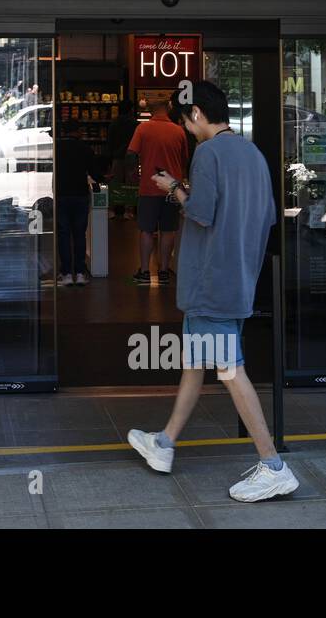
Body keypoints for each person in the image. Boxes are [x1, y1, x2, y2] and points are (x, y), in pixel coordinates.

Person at [127, 80, 298, 503]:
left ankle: (273, 465)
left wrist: (173, 188)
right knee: (197, 362)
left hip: (210, 282)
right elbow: (268, 217)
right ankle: (164, 443)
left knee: (229, 370)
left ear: (198, 115)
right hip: (239, 278)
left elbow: (200, 212)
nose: (187, 129)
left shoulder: (207, 153)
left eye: (186, 121)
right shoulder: (253, 154)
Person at [125, 97, 189, 285]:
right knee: (168, 231)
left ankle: (145, 271)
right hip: (172, 189)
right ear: (168, 108)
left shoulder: (143, 129)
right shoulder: (178, 131)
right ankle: (163, 271)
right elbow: (185, 158)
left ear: (151, 110)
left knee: (146, 230)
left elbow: (131, 154)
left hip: (149, 186)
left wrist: (133, 176)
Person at [56, 121, 103, 286]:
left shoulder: (57, 148)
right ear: (78, 132)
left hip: (62, 194)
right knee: (79, 234)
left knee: (63, 234)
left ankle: (66, 273)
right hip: (80, 194)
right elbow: (95, 173)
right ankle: (81, 272)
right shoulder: (85, 149)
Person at [105, 99, 138, 220]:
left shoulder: (114, 123)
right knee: (131, 183)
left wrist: (109, 157)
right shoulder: (135, 124)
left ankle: (111, 210)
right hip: (132, 156)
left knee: (115, 182)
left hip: (117, 156)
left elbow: (110, 142)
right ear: (130, 110)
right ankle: (128, 211)